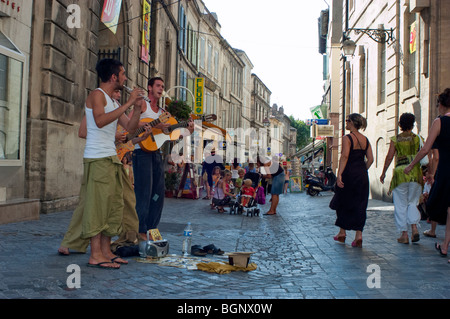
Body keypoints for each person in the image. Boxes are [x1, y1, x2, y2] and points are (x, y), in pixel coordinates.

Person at [69, 59, 144, 269]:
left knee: (112, 207)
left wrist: (136, 108)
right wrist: (129, 103)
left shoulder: (114, 102)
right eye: (123, 74)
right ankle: (95, 255)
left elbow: (129, 128)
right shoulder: (96, 95)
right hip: (97, 157)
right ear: (113, 77)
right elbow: (100, 121)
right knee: (97, 208)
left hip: (111, 158)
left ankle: (106, 252)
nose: (125, 78)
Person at [128, 77, 193, 240]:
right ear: (149, 88)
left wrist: (189, 130)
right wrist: (157, 125)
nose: (161, 88)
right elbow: (130, 123)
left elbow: (174, 135)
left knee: (158, 192)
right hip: (141, 151)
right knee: (144, 192)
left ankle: (152, 229)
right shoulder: (142, 105)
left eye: (163, 86)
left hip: (156, 153)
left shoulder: (164, 113)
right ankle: (141, 230)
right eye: (158, 85)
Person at [405, 89, 450, 261]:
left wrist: (411, 165)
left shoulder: (440, 122)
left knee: (433, 205)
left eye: (438, 104)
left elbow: (425, 149)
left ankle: (445, 245)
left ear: (442, 105)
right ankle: (445, 245)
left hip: (446, 172)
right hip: (445, 171)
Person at [329, 113, 373, 248]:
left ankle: (342, 232)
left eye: (347, 121)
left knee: (342, 201)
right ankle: (358, 235)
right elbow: (371, 159)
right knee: (361, 204)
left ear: (353, 123)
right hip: (362, 175)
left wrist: (340, 174)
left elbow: (344, 156)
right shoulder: (365, 139)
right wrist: (362, 169)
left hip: (349, 174)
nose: (346, 123)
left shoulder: (347, 138)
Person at [380, 113, 423, 244]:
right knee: (412, 202)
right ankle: (414, 228)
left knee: (400, 204)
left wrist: (383, 173)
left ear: (400, 124)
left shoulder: (395, 139)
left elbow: (389, 157)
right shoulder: (418, 139)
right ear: (413, 124)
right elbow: (426, 153)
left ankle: (404, 234)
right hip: (415, 172)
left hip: (400, 173)